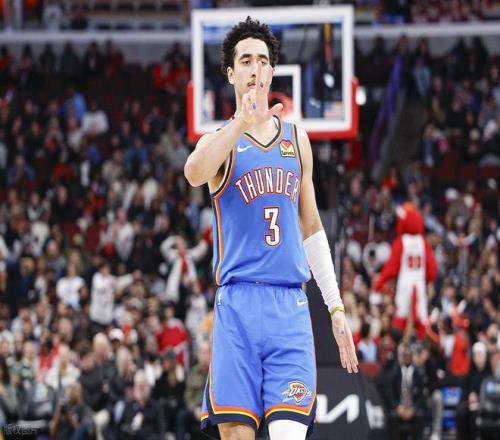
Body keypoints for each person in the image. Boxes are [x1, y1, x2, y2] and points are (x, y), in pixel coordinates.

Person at [184, 16, 358, 440]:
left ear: (272, 71)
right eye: (246, 60)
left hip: (289, 307)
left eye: (262, 60)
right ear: (231, 73)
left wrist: (335, 309)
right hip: (237, 307)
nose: (255, 68)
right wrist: (241, 124)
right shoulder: (219, 141)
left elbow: (312, 227)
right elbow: (194, 172)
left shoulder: (297, 139)